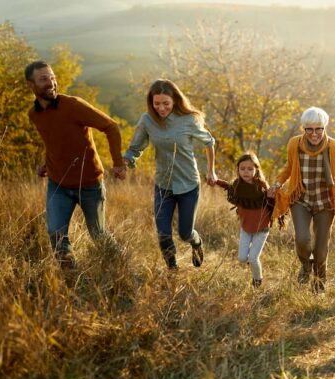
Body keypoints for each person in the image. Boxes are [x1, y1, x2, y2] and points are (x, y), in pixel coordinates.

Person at [26, 60, 126, 268]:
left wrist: (118, 162)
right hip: (58, 184)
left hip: (89, 184)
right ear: (31, 85)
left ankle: (122, 266)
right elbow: (55, 140)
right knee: (56, 234)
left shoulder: (73, 105)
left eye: (52, 77)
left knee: (98, 234)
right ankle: (72, 278)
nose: (51, 82)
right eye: (43, 79)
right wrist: (47, 163)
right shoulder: (34, 115)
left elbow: (111, 127)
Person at [123, 79, 217, 270]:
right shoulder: (147, 120)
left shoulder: (189, 120)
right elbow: (135, 148)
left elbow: (209, 142)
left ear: (175, 100)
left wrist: (211, 171)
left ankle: (196, 243)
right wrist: (125, 161)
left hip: (188, 184)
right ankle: (172, 271)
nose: (161, 108)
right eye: (156, 103)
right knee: (163, 234)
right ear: (151, 102)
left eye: (166, 103)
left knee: (185, 233)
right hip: (163, 185)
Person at [268, 106, 335, 294]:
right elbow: (289, 167)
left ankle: (319, 284)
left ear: (324, 127)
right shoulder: (294, 144)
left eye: (318, 129)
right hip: (300, 198)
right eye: (309, 129)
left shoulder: (334, 147)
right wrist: (277, 183)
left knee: (320, 250)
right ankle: (305, 266)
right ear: (304, 129)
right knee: (302, 239)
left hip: (325, 202)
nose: (314, 134)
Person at [216, 153, 275, 288]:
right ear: (238, 170)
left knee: (253, 258)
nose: (246, 172)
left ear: (256, 169)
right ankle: (252, 262)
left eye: (250, 169)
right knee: (242, 258)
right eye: (242, 169)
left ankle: (257, 280)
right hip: (246, 227)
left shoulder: (261, 185)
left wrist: (274, 194)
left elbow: (272, 202)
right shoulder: (237, 185)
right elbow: (227, 187)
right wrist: (216, 181)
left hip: (262, 228)